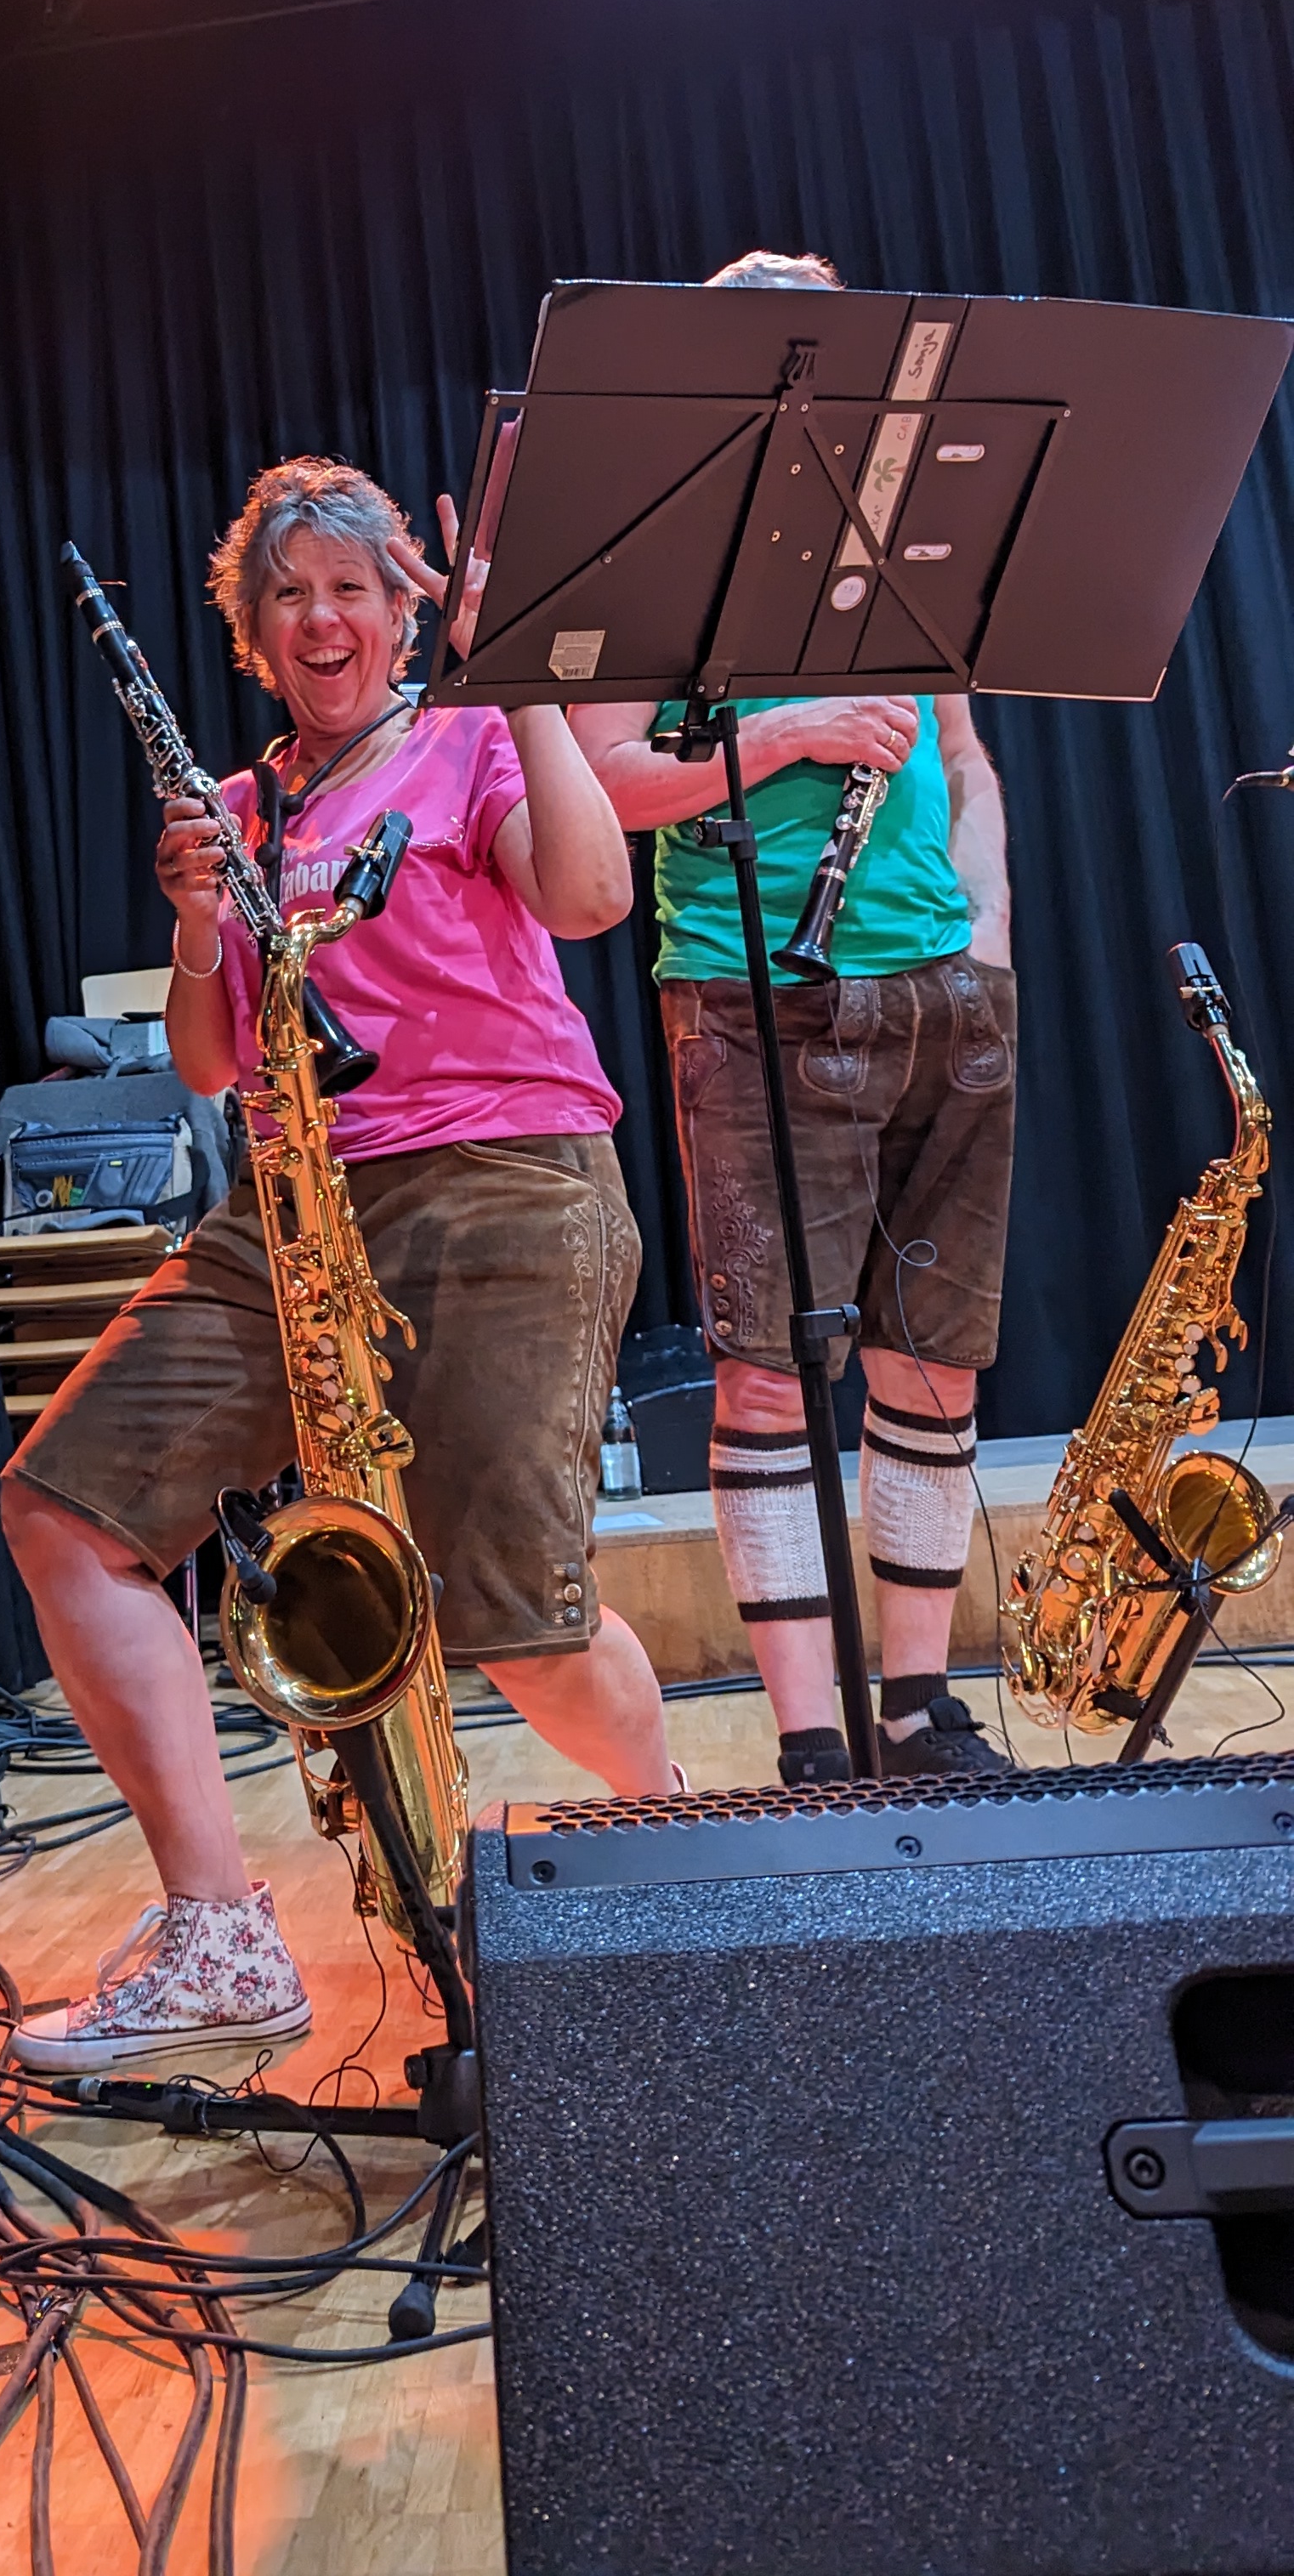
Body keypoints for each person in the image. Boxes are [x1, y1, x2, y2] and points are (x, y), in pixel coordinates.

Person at [1, 454, 676, 2074]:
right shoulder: (243, 809)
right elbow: (209, 1064)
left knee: (515, 1618)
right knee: (63, 1512)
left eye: (353, 590)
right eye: (290, 593)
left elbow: (591, 894)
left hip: (504, 1173)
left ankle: (676, 1859)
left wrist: (519, 679)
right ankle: (222, 1937)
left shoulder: (465, 743)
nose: (322, 617)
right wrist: (192, 923)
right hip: (294, 1200)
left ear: (401, 615)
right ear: (254, 630)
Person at [572, 249, 1017, 1790]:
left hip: (944, 991)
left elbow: (967, 761)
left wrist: (988, 944)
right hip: (753, 991)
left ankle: (920, 1707)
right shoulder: (649, 551)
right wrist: (788, 735)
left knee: (935, 1359)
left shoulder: (905, 544)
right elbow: (604, 783)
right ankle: (812, 1737)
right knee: (768, 1369)